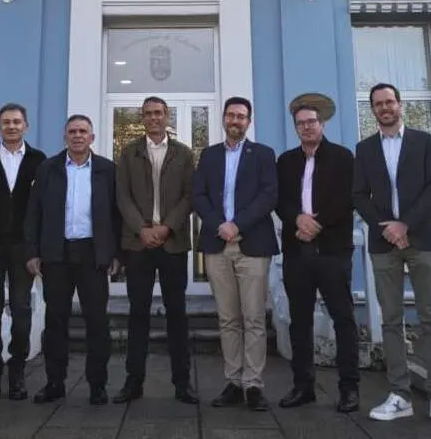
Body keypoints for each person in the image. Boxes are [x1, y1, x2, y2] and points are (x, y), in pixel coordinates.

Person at [352, 82, 431, 426]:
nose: (384, 108)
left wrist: (405, 225)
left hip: (422, 240)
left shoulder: (423, 142)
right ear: (372, 111)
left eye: (389, 102)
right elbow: (358, 195)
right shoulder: (365, 148)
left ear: (400, 105)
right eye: (378, 104)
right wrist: (387, 228)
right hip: (384, 245)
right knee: (391, 320)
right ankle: (399, 394)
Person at [25, 115, 121, 405]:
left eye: (83, 131)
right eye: (72, 131)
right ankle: (55, 382)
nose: (77, 136)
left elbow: (117, 216)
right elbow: (34, 213)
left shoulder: (107, 169)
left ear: (92, 137)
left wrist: (116, 254)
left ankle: (97, 385)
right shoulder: (48, 169)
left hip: (93, 255)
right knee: (55, 321)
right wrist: (32, 252)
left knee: (97, 322)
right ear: (65, 137)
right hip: (57, 254)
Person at [192, 96, 278, 411]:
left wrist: (237, 224)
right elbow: (198, 195)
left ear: (248, 121)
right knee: (228, 318)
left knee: (254, 317)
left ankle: (253, 384)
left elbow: (269, 195)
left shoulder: (264, 154)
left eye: (241, 116)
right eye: (231, 115)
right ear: (224, 119)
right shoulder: (209, 155)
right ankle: (232, 381)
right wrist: (220, 225)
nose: (235, 121)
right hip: (218, 244)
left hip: (252, 244)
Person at [275, 95, 360, 413]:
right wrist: (296, 219)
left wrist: (317, 223)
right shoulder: (286, 161)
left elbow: (347, 198)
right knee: (299, 322)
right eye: (300, 123)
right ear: (295, 128)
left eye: (311, 122)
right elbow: (279, 199)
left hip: (332, 251)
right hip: (297, 251)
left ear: (322, 124)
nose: (306, 127)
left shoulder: (342, 157)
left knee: (343, 319)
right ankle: (303, 386)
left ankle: (349, 389)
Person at [112, 96, 199, 405]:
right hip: (138, 244)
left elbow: (190, 196)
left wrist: (166, 227)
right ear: (142, 118)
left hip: (172, 243)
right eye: (148, 114)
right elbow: (121, 196)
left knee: (178, 314)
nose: (153, 118)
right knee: (138, 314)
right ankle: (133, 382)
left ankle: (182, 383)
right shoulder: (128, 153)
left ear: (166, 116)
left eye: (158, 113)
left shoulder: (184, 154)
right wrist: (143, 229)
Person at [0, 103, 47, 401]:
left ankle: (17, 375)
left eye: (17, 122)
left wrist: (38, 249)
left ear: (26, 126)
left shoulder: (39, 161)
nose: (12, 126)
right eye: (6, 122)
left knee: (21, 311)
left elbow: (43, 208)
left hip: (23, 249)